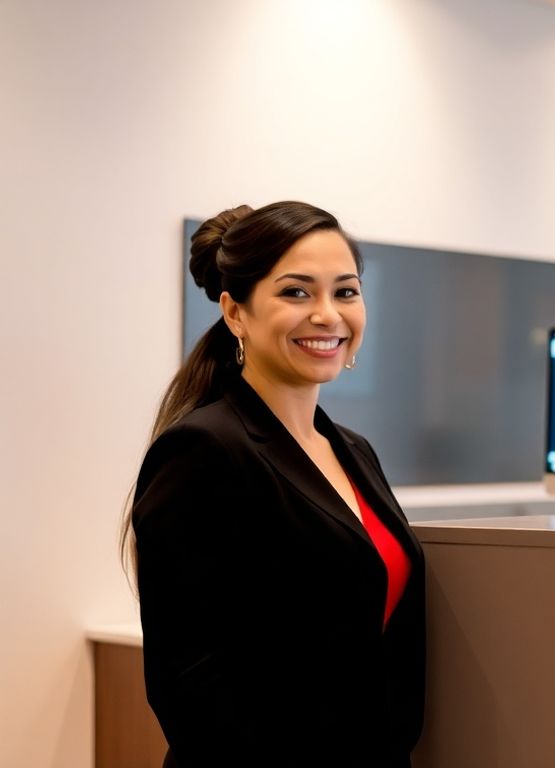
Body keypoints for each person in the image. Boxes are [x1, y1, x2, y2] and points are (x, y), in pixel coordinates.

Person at [119, 202, 425, 767]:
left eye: (347, 291)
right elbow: (188, 683)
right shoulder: (204, 449)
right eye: (296, 292)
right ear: (236, 313)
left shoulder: (354, 450)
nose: (329, 314)